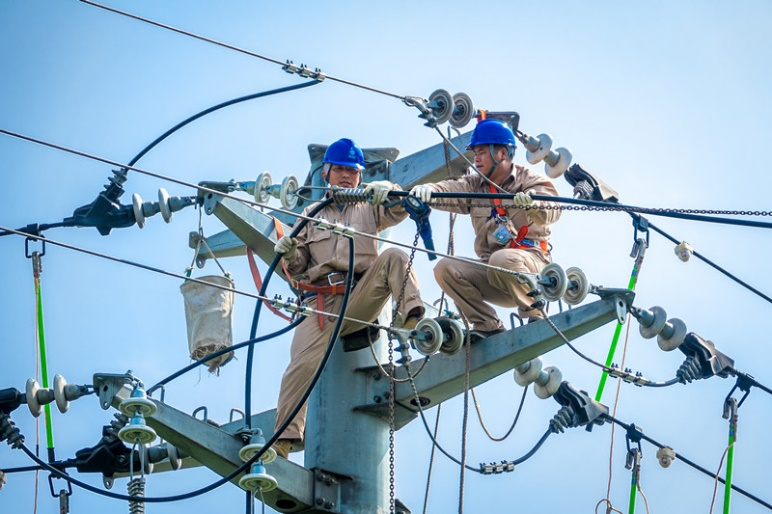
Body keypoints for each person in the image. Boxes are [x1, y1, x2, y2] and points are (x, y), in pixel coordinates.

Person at [271, 138, 425, 459]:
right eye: (339, 169)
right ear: (326, 172)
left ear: (360, 176)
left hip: (361, 294)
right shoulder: (311, 214)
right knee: (300, 364)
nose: (346, 176)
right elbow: (299, 267)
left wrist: (390, 190)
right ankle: (285, 439)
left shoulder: (369, 205)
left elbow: (398, 209)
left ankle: (412, 318)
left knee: (394, 256)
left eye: (352, 171)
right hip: (323, 304)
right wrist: (289, 252)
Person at [410, 119, 561, 336]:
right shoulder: (474, 185)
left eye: (482, 152)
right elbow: (449, 188)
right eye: (475, 152)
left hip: (531, 266)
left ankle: (534, 313)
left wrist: (532, 203)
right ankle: (487, 326)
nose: (476, 158)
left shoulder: (529, 180)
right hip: (494, 271)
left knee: (502, 260)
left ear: (501, 153)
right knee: (445, 268)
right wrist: (427, 190)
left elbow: (553, 209)